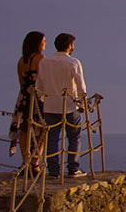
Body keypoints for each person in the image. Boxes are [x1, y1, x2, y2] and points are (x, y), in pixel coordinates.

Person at [36, 32, 90, 177]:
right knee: (74, 137)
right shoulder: (73, 62)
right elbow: (81, 86)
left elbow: (39, 85)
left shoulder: (44, 62)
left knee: (52, 139)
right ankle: (73, 168)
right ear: (69, 46)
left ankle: (53, 171)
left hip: (50, 106)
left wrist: (42, 100)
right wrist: (82, 102)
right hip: (70, 106)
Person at [7, 31, 46, 174]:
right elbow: (43, 80)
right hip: (37, 97)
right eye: (43, 41)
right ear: (37, 43)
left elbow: (21, 82)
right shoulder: (40, 58)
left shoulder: (21, 61)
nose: (45, 44)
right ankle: (35, 163)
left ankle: (25, 161)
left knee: (24, 129)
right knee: (42, 129)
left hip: (24, 97)